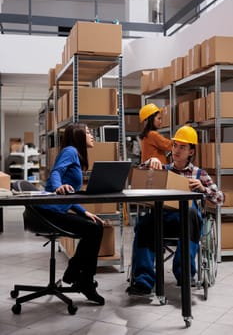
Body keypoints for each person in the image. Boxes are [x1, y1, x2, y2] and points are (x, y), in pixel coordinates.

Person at [127, 125, 224, 295]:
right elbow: (138, 180)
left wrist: (203, 189)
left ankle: (184, 273)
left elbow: (220, 198)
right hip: (163, 219)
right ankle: (143, 280)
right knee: (144, 223)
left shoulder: (199, 174)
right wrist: (148, 163)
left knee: (191, 211)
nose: (177, 150)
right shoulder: (163, 170)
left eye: (183, 147)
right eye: (175, 146)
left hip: (187, 223)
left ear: (191, 152)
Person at [37, 123, 105, 305]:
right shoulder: (70, 150)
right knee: (94, 230)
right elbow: (56, 173)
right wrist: (58, 186)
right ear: (78, 135)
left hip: (58, 209)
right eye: (89, 132)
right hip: (49, 212)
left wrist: (84, 211)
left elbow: (69, 194)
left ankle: (77, 274)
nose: (92, 136)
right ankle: (83, 280)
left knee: (96, 225)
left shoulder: (75, 154)